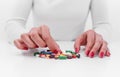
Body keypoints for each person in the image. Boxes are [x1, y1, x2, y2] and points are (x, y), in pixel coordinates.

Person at [5, 0, 111, 58]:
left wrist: (98, 36)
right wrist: (25, 36)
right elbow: (13, 23)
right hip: (38, 54)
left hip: (80, 55)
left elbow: (103, 25)